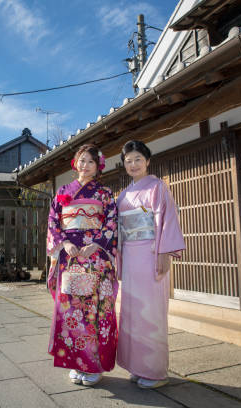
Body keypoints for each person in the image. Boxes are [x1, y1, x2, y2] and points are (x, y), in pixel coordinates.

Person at [46, 144, 119, 387]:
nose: (85, 165)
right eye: (82, 160)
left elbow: (111, 223)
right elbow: (54, 223)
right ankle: (76, 362)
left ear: (98, 166)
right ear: (75, 162)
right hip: (70, 256)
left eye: (90, 161)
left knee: (92, 309)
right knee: (71, 310)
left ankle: (94, 365)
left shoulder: (105, 193)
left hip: (94, 258)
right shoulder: (63, 191)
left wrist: (97, 245)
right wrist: (64, 243)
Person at [116, 140, 185, 389]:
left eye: (137, 159)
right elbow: (118, 231)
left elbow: (168, 219)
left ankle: (155, 371)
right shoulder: (123, 195)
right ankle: (137, 366)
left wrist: (164, 252)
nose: (133, 164)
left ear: (147, 161)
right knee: (132, 313)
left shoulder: (158, 187)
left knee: (152, 313)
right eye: (128, 161)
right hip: (130, 256)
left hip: (150, 252)